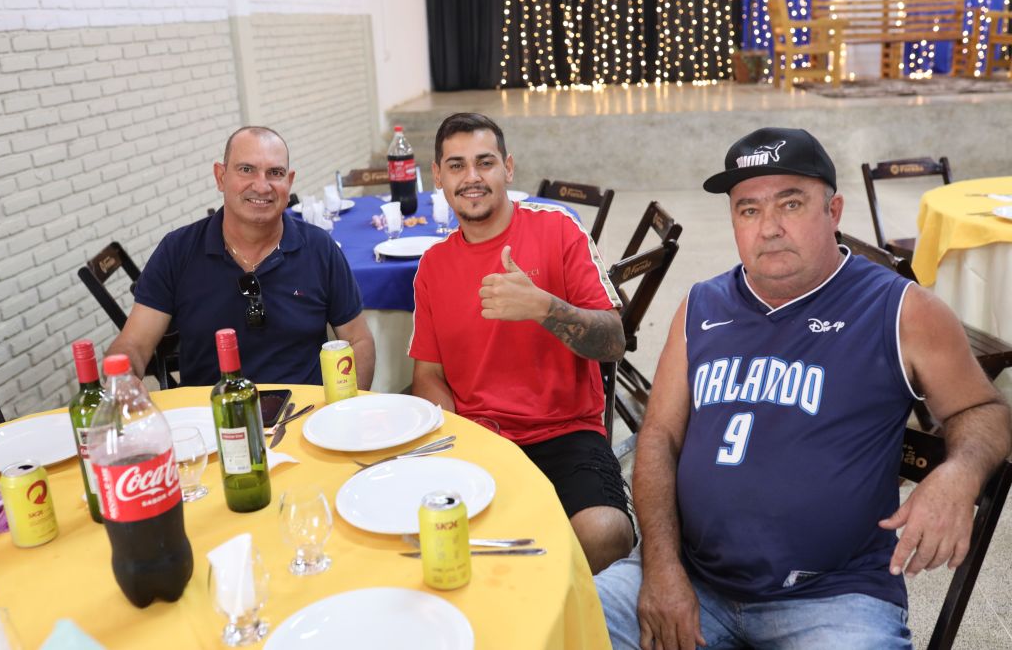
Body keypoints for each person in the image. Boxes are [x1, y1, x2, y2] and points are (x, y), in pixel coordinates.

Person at [595, 127, 1012, 649]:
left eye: (790, 204)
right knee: (556, 624)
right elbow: (658, 438)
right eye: (749, 210)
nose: (769, 228)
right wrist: (660, 567)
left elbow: (985, 409)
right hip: (691, 574)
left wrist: (959, 473)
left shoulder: (902, 310)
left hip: (835, 598)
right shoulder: (701, 306)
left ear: (833, 211)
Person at [408, 112, 633, 574]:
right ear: (438, 177)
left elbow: (614, 342)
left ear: (508, 168)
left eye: (485, 162)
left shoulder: (559, 229)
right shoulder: (433, 265)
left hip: (565, 432)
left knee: (606, 532)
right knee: (428, 543)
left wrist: (543, 307)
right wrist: (454, 442)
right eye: (456, 165)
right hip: (479, 438)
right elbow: (428, 374)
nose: (472, 177)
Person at [107, 126, 375, 388]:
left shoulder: (319, 249)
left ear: (289, 181)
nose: (262, 186)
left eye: (275, 173)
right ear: (220, 177)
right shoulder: (177, 251)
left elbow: (359, 340)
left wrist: (345, 408)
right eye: (246, 170)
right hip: (212, 411)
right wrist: (124, 379)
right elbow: (134, 344)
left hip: (304, 411)